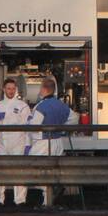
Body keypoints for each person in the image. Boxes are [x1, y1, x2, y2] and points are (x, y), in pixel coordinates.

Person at [26, 76, 79, 206]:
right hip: (57, 141)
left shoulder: (41, 107)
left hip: (43, 142)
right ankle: (47, 201)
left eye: (40, 88)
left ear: (44, 89)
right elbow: (74, 119)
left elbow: (34, 127)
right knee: (53, 169)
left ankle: (51, 191)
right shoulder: (61, 105)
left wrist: (27, 122)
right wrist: (62, 128)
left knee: (35, 169)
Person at [0, 78, 32, 207]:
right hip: (2, 144)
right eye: (8, 88)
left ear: (16, 89)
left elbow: (29, 126)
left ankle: (20, 200)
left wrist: (28, 144)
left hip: (18, 142)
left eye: (13, 89)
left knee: (19, 171)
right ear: (3, 89)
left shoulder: (23, 106)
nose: (11, 91)